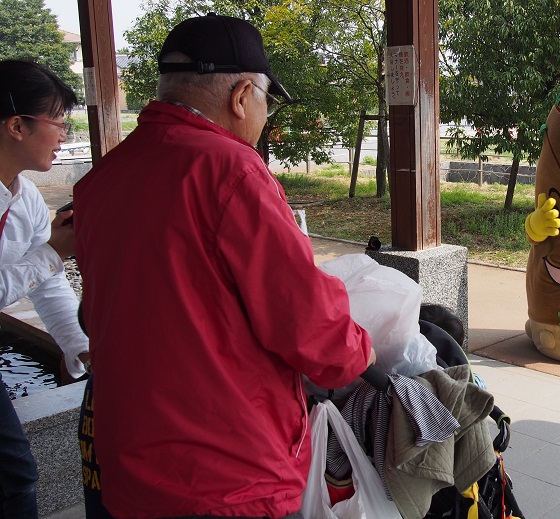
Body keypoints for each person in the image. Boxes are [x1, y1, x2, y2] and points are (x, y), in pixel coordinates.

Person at [73, 14, 374, 518]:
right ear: (240, 96)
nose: (265, 116)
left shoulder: (104, 176)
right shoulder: (231, 171)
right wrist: (361, 347)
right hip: (225, 474)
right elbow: (309, 324)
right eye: (266, 101)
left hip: (130, 465)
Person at [0, 59, 89, 519]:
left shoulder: (26, 197)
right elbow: (47, 262)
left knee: (16, 478)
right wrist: (53, 251)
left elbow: (48, 282)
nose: (64, 137)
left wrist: (82, 347)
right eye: (59, 123)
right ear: (17, 125)